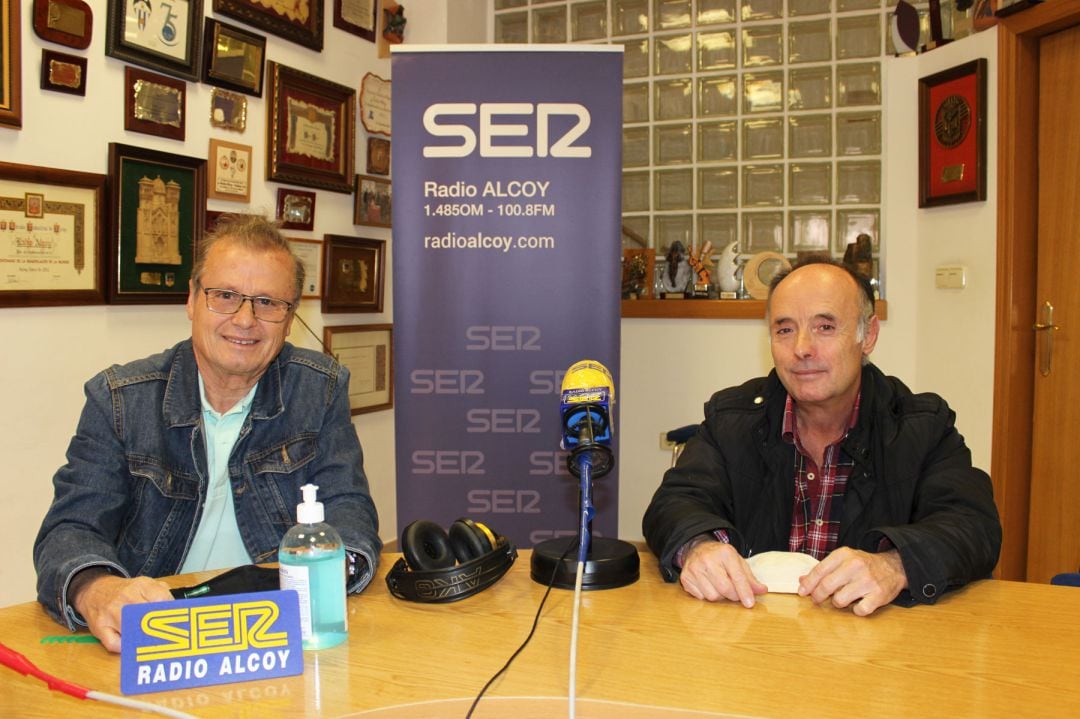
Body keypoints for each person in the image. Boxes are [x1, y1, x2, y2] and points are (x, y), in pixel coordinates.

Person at [34, 214, 382, 651]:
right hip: (158, 631)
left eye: (268, 303)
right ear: (192, 301)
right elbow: (70, 528)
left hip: (277, 625)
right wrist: (95, 588)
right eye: (225, 296)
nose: (245, 319)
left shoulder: (320, 387)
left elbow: (349, 507)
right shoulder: (120, 399)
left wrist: (337, 565)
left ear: (290, 318)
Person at [642, 257, 1001, 616]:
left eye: (825, 327)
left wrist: (895, 564)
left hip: (872, 646)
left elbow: (973, 526)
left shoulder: (921, 427)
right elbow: (673, 503)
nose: (802, 348)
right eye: (784, 330)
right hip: (755, 638)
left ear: (869, 335)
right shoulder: (732, 419)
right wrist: (698, 546)